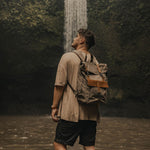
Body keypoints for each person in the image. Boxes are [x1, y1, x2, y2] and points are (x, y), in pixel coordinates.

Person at [51, 29, 100, 150]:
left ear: (82, 40)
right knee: (89, 146)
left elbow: (59, 85)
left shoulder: (67, 57)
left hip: (71, 112)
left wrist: (54, 107)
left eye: (76, 36)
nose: (73, 38)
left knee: (59, 143)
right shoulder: (95, 61)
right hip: (91, 112)